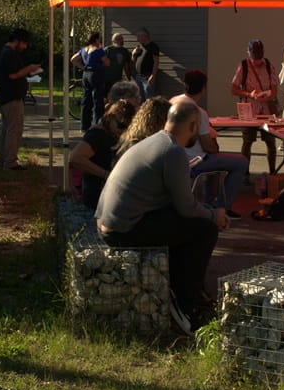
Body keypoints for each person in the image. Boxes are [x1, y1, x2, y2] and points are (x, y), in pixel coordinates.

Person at [96, 101, 230, 333]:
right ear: (193, 126)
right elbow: (187, 207)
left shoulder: (155, 141)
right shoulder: (173, 151)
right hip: (123, 231)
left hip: (109, 224)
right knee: (205, 230)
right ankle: (186, 305)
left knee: (188, 225)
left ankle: (179, 289)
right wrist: (214, 215)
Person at [171, 70, 249, 217]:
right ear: (203, 88)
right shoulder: (198, 112)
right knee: (241, 161)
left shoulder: (173, 102)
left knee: (216, 160)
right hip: (194, 162)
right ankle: (222, 208)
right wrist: (214, 143)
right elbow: (208, 147)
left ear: (184, 84)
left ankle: (209, 202)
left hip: (175, 158)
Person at [68, 100, 135, 209]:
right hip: (97, 196)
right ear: (111, 117)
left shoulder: (113, 133)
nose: (123, 130)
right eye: (121, 125)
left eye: (128, 127)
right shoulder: (97, 134)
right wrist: (106, 175)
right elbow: (75, 158)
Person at [229, 39, 280, 175]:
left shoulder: (269, 65)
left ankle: (272, 173)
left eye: (259, 56)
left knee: (270, 142)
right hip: (249, 111)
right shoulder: (243, 66)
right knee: (247, 142)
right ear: (249, 53)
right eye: (254, 57)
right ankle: (245, 173)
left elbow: (274, 90)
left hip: (267, 110)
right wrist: (249, 94)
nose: (257, 60)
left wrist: (267, 95)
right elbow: (234, 89)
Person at [0, 29, 41, 170]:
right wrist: (29, 68)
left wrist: (28, 71)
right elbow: (13, 75)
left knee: (7, 129)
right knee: (14, 130)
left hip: (6, 96)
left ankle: (2, 158)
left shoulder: (7, 52)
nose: (25, 47)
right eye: (24, 43)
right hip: (11, 97)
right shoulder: (9, 54)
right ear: (17, 41)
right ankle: (10, 162)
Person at [71, 31, 109, 131]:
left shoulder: (84, 50)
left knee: (86, 100)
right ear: (96, 40)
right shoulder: (98, 50)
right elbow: (107, 63)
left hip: (86, 75)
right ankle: (97, 125)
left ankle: (84, 126)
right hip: (96, 74)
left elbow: (73, 59)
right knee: (98, 100)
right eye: (99, 39)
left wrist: (83, 67)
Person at [132, 27, 160, 100]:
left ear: (144, 36)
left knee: (149, 99)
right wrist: (134, 54)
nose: (137, 39)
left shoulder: (153, 47)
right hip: (138, 77)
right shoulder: (140, 47)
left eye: (138, 36)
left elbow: (156, 62)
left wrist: (153, 75)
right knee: (140, 99)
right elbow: (133, 61)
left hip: (147, 77)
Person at [104, 33, 134, 97]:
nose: (122, 40)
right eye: (119, 39)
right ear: (114, 40)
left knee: (116, 98)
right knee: (107, 98)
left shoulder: (124, 51)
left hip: (117, 80)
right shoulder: (107, 50)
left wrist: (129, 78)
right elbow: (102, 63)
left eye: (122, 38)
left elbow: (126, 66)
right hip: (107, 80)